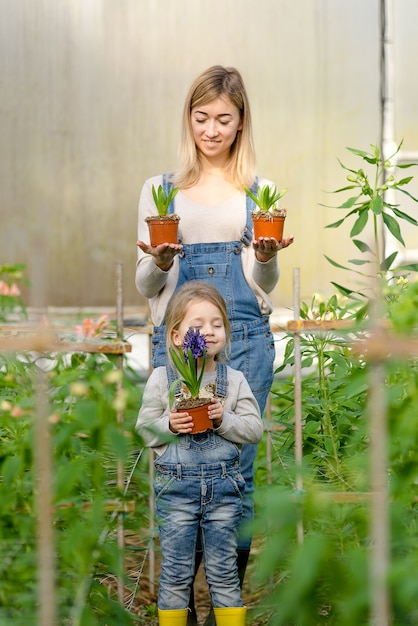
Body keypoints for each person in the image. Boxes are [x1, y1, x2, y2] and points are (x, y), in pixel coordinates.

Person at [135, 65, 294, 625]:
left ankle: (223, 605)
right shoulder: (162, 190)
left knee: (235, 476)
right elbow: (146, 285)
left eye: (223, 119)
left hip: (244, 337)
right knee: (181, 470)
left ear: (241, 121)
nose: (211, 129)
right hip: (177, 341)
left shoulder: (259, 192)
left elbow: (262, 284)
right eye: (201, 117)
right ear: (189, 119)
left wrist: (268, 258)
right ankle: (184, 606)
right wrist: (158, 262)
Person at [136, 281, 263, 626]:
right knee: (176, 572)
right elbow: (144, 430)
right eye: (197, 326)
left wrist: (225, 419)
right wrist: (170, 424)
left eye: (217, 324)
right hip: (176, 493)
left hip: (223, 492)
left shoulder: (233, 380)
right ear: (177, 336)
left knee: (224, 573)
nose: (208, 331)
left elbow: (254, 430)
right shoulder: (162, 380)